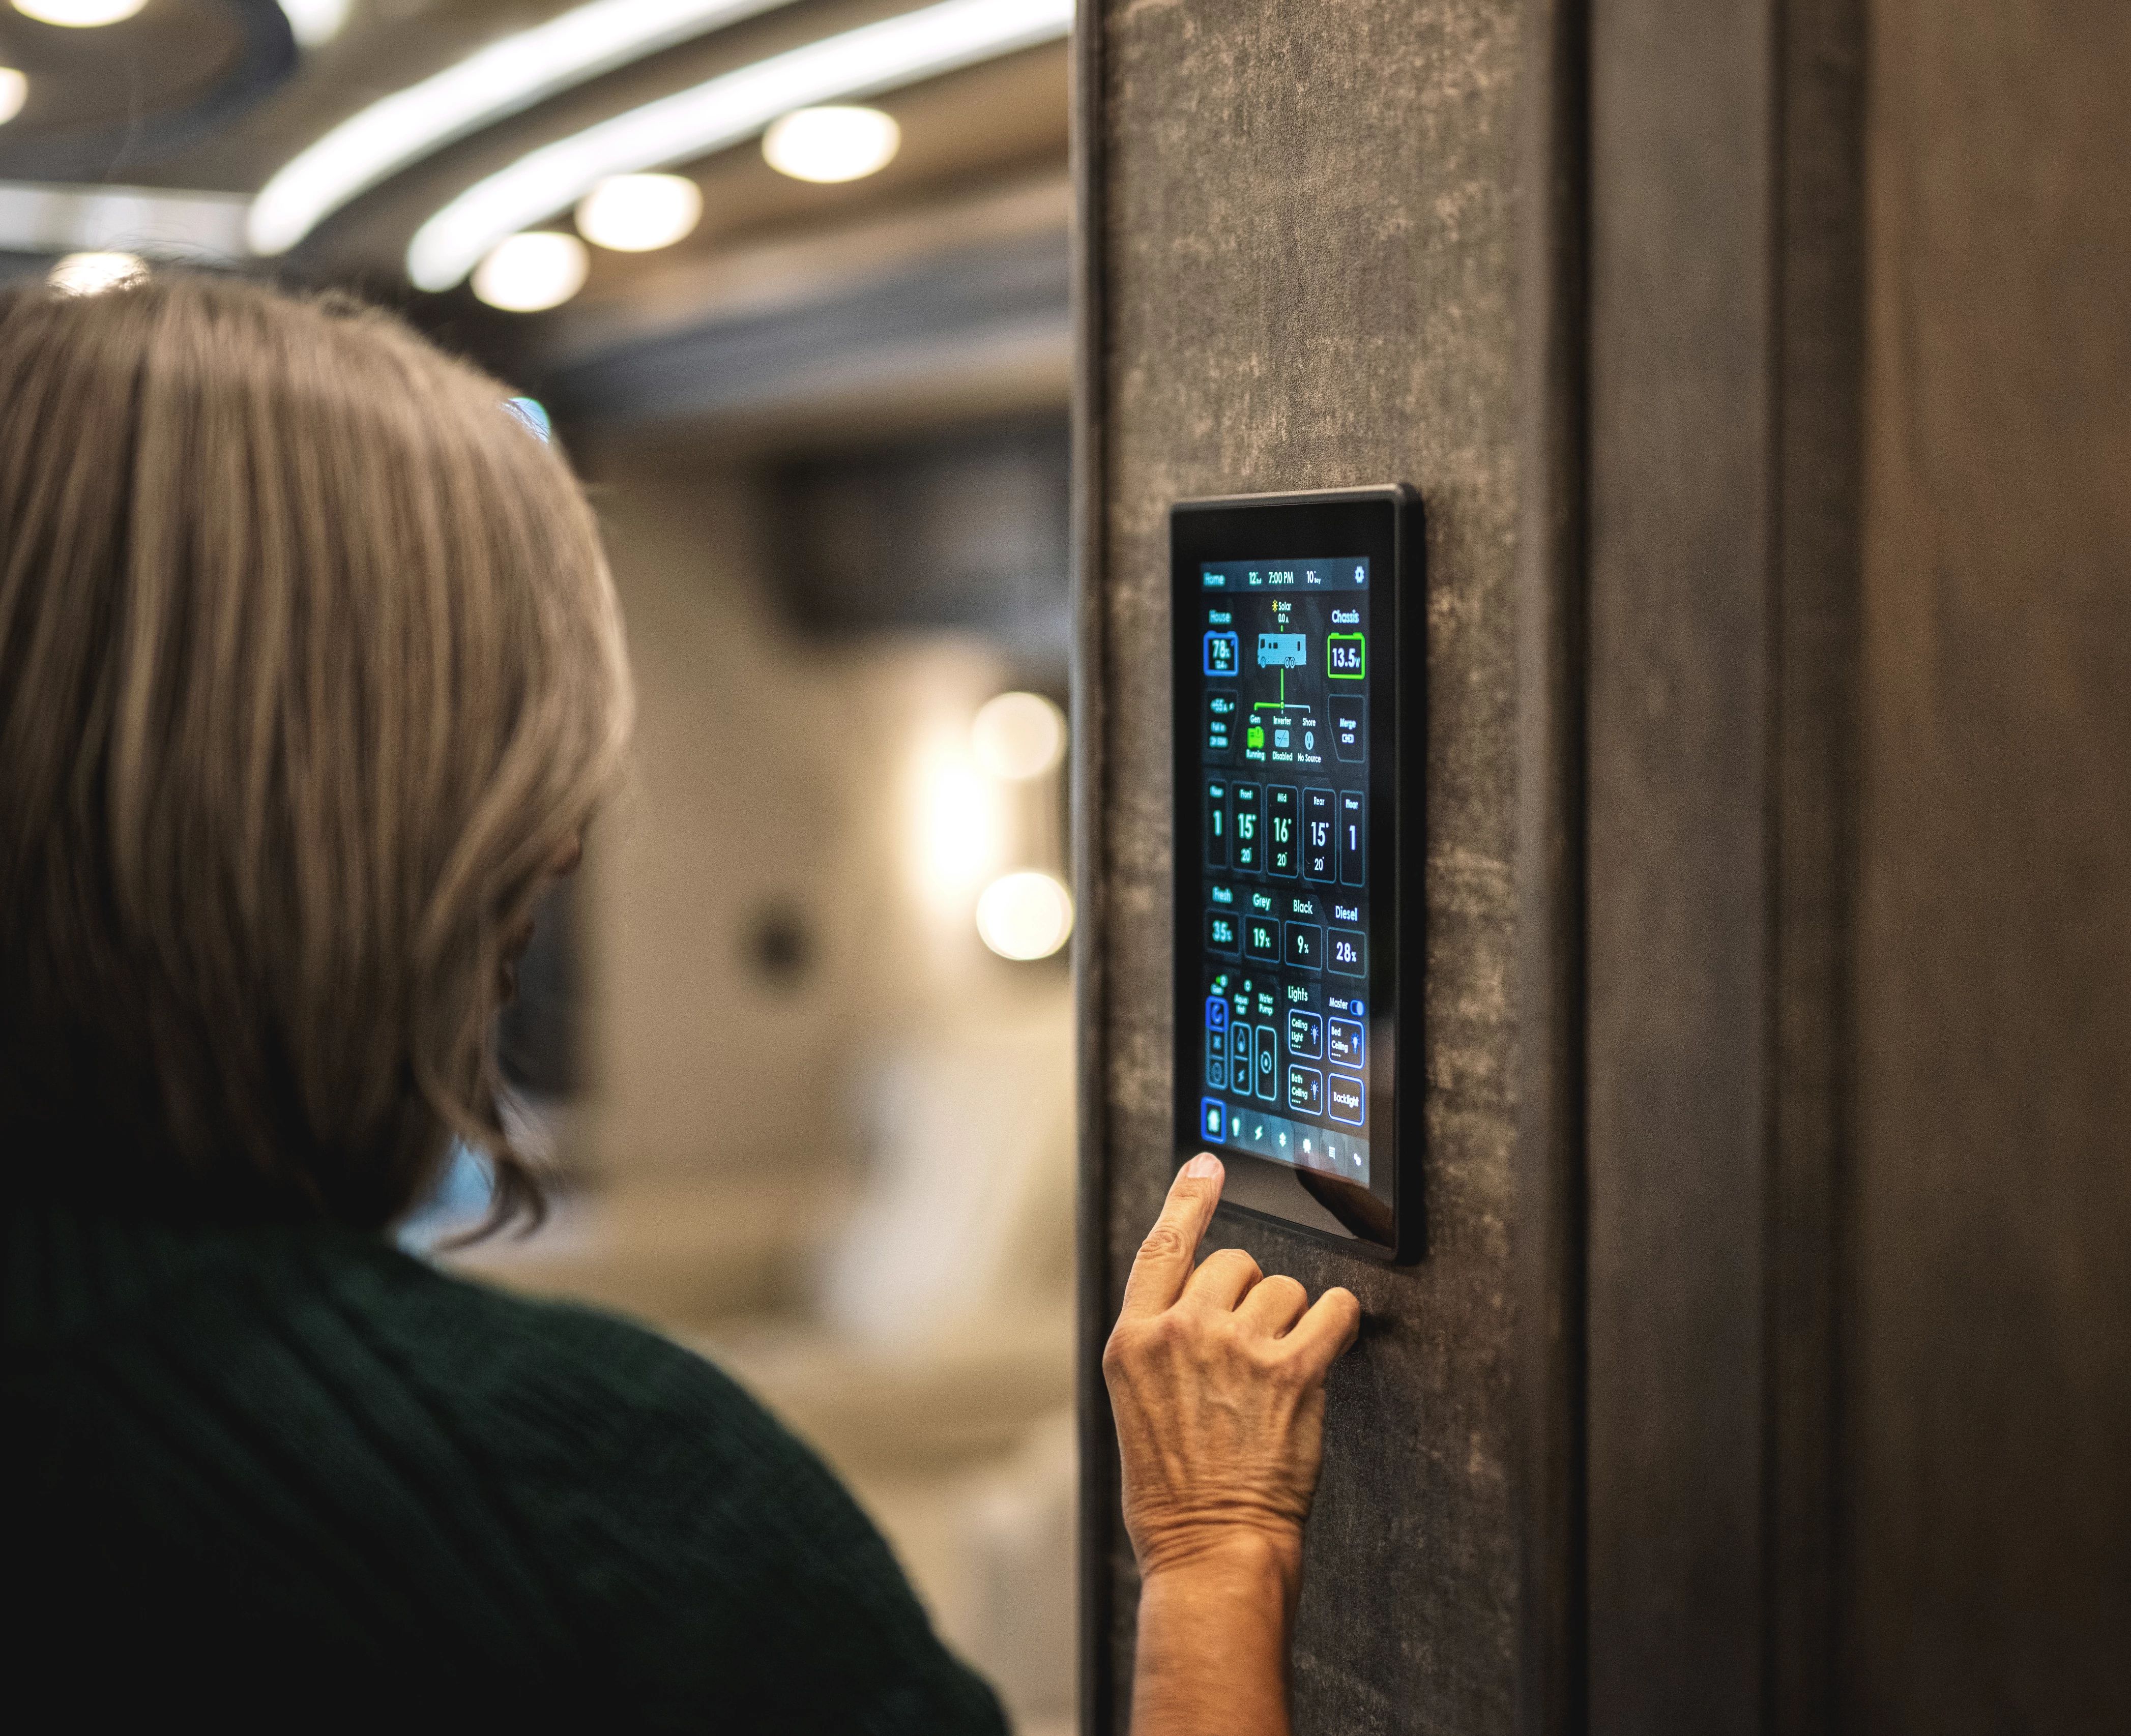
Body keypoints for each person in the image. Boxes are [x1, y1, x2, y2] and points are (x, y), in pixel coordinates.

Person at [0, 270, 1357, 1729]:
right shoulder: (585, 1503)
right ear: (341, 820)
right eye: (509, 748)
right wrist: (1217, 1555)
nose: (566, 838)